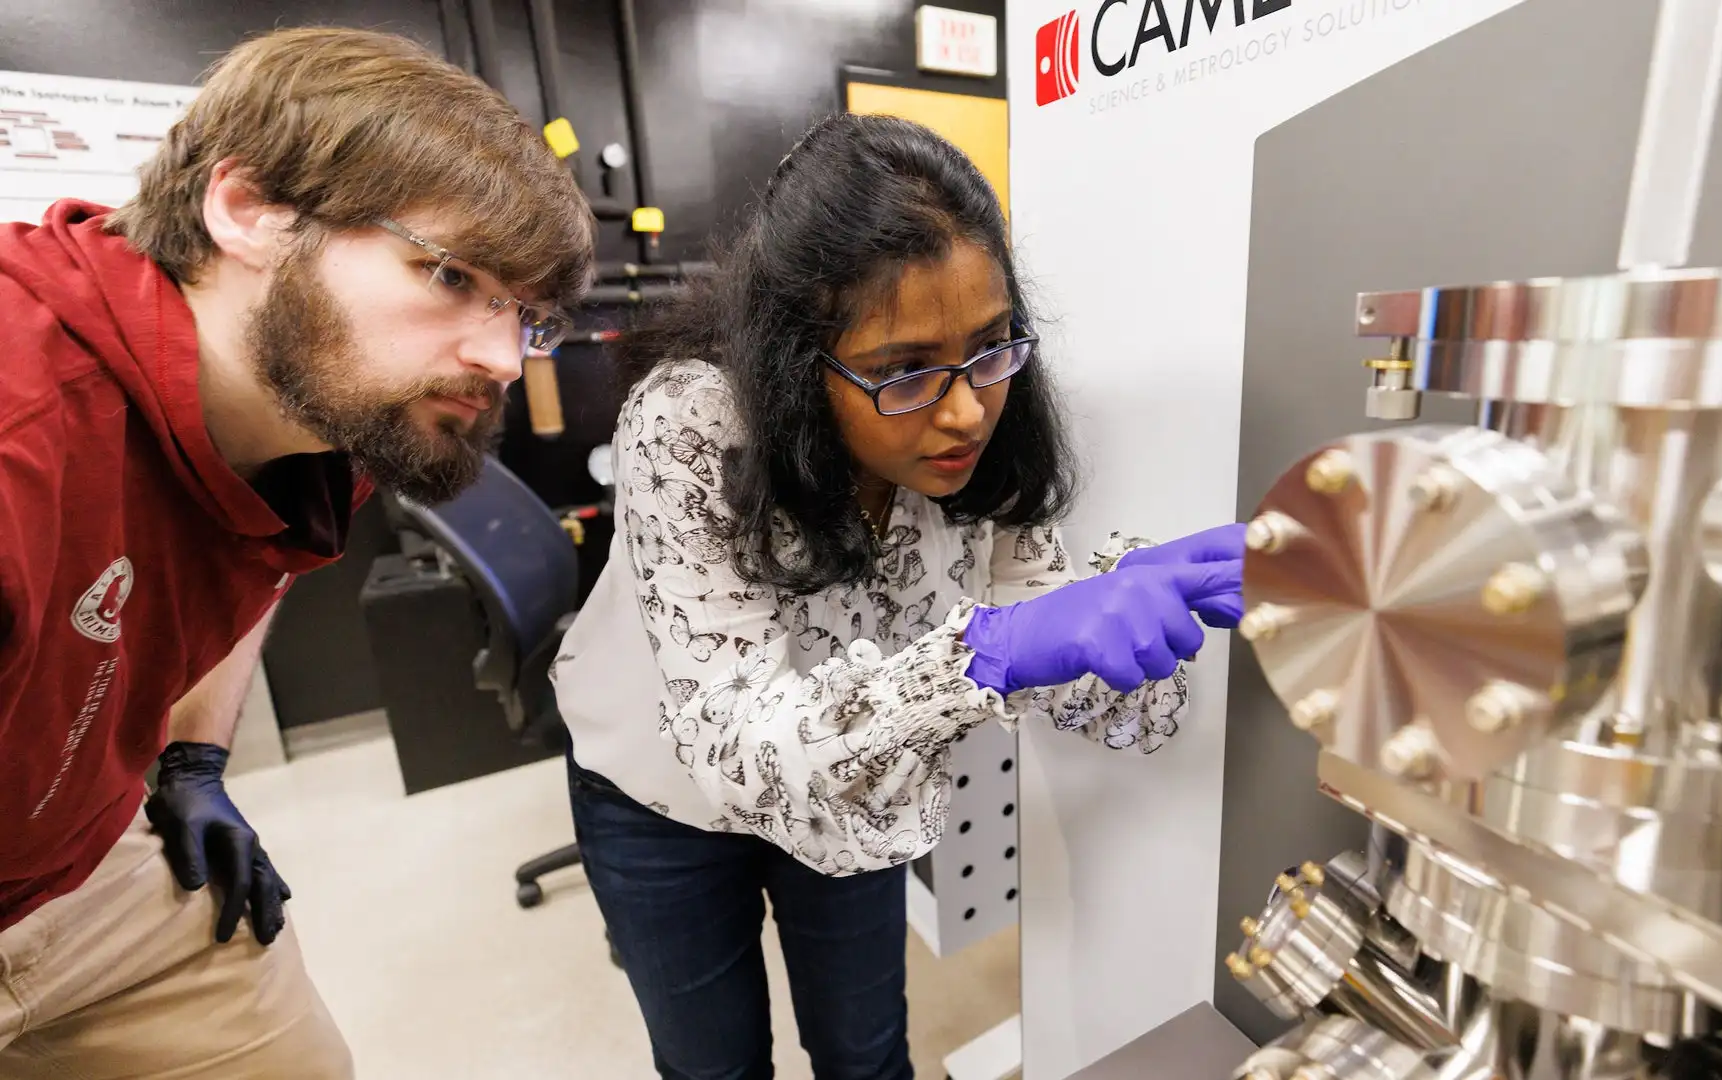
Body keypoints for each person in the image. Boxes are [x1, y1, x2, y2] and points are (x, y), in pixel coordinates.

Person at [553, 112, 1245, 1080]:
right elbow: (740, 746)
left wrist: (1125, 634)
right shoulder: (690, 422)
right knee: (712, 1065)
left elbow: (1088, 695)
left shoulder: (984, 428)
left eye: (992, 345)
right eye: (904, 370)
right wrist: (985, 654)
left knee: (869, 1051)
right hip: (662, 794)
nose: (964, 409)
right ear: (800, 357)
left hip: (854, 776)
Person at [0, 26, 593, 1078]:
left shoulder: (333, 404)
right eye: (452, 274)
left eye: (524, 314)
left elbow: (258, 550)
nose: (503, 357)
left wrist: (192, 762)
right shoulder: (23, 431)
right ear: (249, 208)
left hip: (95, 859)